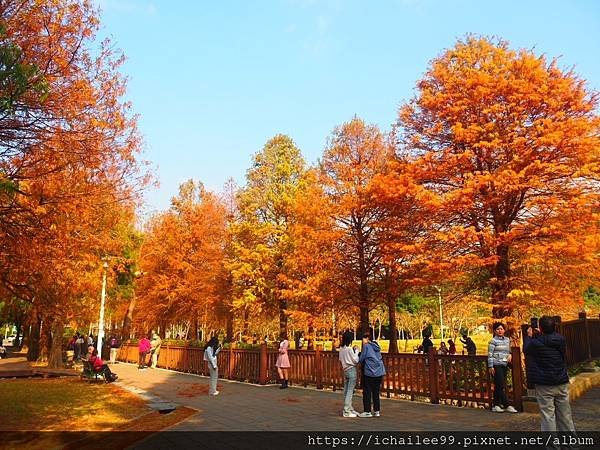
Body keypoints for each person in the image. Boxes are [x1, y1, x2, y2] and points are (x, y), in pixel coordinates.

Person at [524, 316, 576, 433]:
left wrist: (529, 336)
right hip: (561, 381)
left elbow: (527, 349)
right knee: (565, 415)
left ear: (540, 327)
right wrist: (540, 334)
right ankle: (570, 444)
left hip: (544, 384)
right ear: (555, 326)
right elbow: (555, 348)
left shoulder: (535, 342)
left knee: (548, 416)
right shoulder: (560, 339)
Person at [487, 322, 517, 413]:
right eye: (498, 329)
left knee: (498, 385)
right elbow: (490, 354)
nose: (500, 330)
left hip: (504, 364)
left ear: (504, 330)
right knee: (501, 384)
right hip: (496, 364)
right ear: (495, 331)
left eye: (501, 329)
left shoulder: (507, 340)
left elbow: (509, 350)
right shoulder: (493, 341)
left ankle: (495, 405)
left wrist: (510, 355)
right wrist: (490, 366)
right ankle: (507, 405)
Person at [358, 333, 386, 418]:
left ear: (366, 338)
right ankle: (377, 411)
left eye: (363, 339)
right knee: (376, 392)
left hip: (370, 372)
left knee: (367, 392)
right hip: (379, 372)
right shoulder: (376, 346)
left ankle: (367, 411)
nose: (362, 341)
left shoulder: (366, 346)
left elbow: (361, 359)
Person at [338, 331, 359, 417]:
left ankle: (350, 408)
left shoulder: (341, 349)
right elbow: (355, 360)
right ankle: (346, 411)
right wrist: (357, 351)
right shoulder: (349, 349)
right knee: (350, 391)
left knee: (346, 391)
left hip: (345, 370)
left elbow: (340, 359)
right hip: (351, 370)